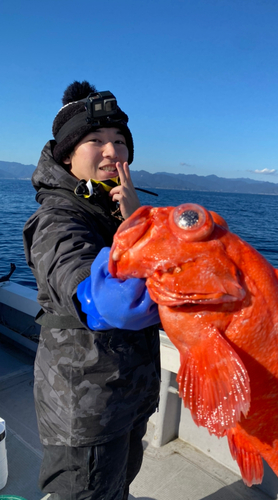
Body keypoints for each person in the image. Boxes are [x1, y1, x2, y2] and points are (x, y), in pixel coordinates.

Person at [23, 81, 161, 500]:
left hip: (130, 397)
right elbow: (113, 302)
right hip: (85, 409)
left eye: (120, 141)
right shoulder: (58, 219)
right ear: (67, 154)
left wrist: (134, 219)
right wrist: (139, 228)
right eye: (95, 140)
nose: (111, 151)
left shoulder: (116, 209)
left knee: (118, 487)